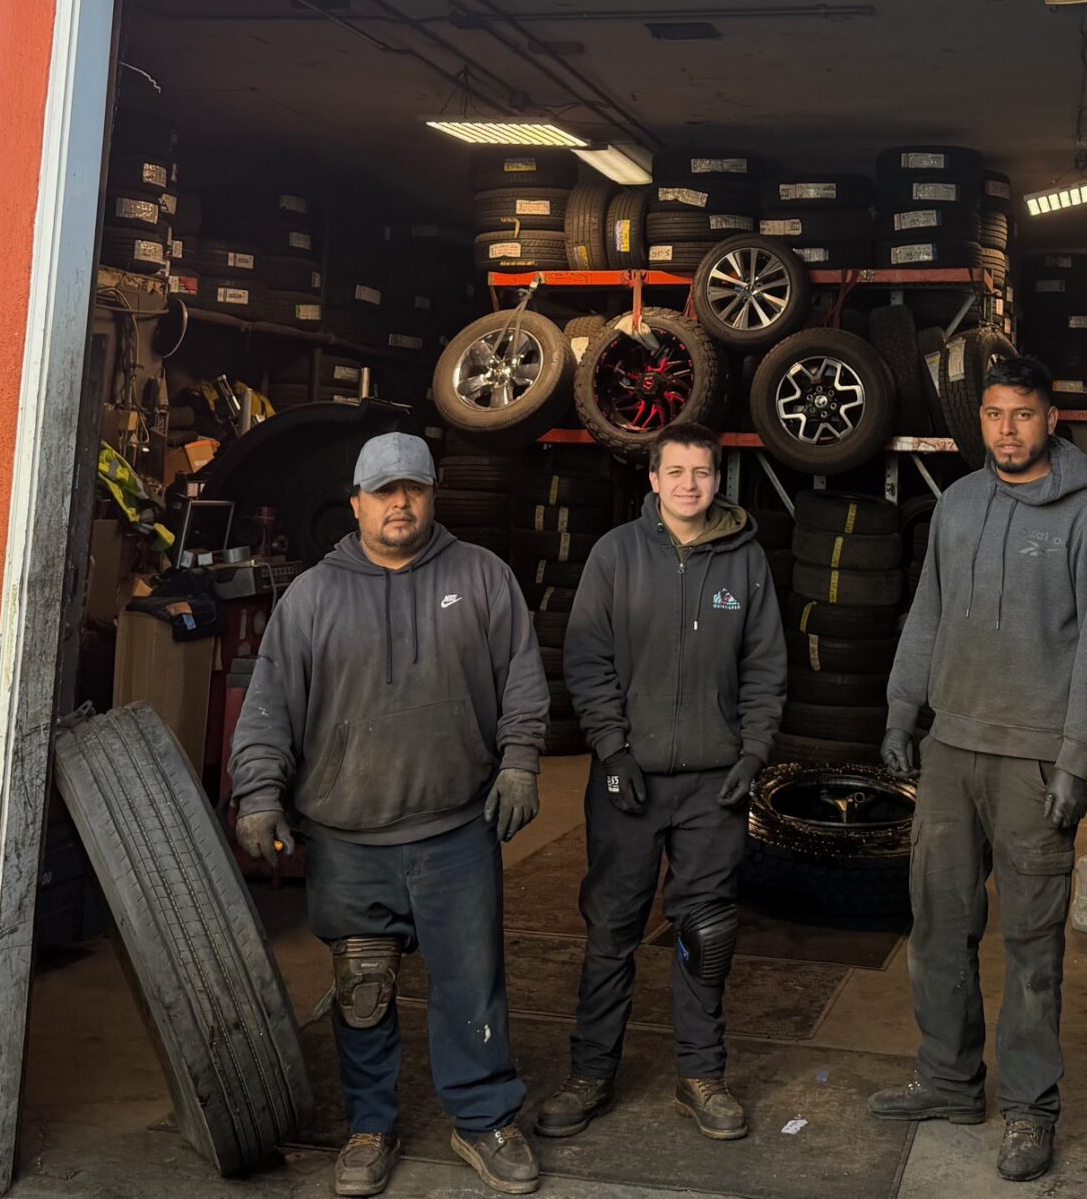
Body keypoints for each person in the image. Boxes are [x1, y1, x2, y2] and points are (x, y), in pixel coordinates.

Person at [228, 431, 550, 1198]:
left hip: (455, 834)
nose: (399, 503)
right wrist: (259, 792)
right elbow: (269, 707)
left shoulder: (483, 578)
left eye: (413, 488)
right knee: (362, 990)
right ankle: (371, 1124)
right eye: (383, 491)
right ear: (356, 503)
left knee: (471, 987)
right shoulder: (312, 597)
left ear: (433, 493)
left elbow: (524, 684)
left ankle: (482, 1120)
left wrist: (520, 761)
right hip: (348, 841)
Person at [867, 354, 1087, 1182]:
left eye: (1022, 414)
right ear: (978, 419)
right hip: (951, 750)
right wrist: (901, 710)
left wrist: (1073, 761)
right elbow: (928, 614)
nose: (1007, 430)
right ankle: (948, 1080)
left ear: (1051, 418)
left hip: (1033, 761)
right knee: (939, 924)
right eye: (993, 414)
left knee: (1032, 944)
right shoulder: (960, 504)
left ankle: (1029, 1109)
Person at [534, 422, 787, 1144]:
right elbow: (586, 659)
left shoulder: (746, 563)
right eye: (674, 471)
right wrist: (612, 752)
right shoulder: (616, 555)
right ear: (653, 479)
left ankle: (701, 1076)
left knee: (707, 934)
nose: (688, 484)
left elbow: (767, 669)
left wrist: (752, 753)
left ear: (718, 480)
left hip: (714, 787)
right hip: (628, 784)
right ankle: (591, 1073)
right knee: (612, 929)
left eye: (701, 472)